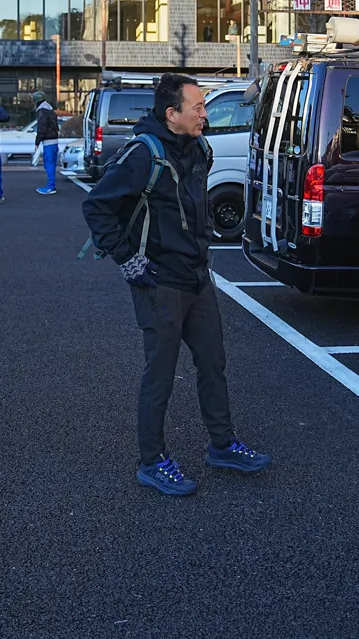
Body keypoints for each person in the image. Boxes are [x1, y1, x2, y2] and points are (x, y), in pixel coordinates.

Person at [81, 73, 269, 497]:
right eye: (198, 107)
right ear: (172, 114)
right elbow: (96, 206)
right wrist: (128, 261)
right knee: (160, 375)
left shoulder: (199, 148)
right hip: (158, 281)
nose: (205, 113)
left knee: (213, 363)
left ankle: (221, 445)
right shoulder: (142, 154)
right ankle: (152, 461)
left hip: (197, 277)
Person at [32, 90, 60, 195]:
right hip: (54, 141)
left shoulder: (42, 111)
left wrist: (37, 142)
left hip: (48, 142)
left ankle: (50, 187)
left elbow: (41, 128)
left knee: (49, 165)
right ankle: (51, 185)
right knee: (51, 164)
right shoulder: (50, 110)